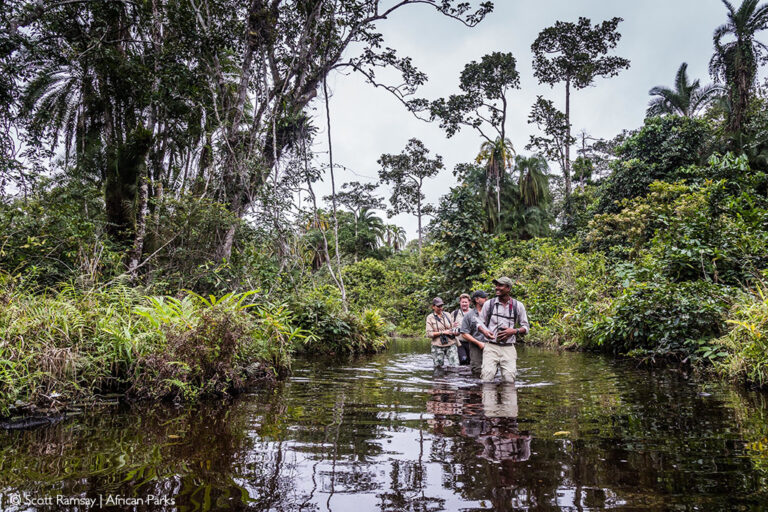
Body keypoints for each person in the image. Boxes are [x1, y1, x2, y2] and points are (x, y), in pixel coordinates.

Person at [476, 276, 529, 383]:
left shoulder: (518, 306)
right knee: (487, 378)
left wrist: (513, 331)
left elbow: (526, 328)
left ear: (508, 288)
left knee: (509, 380)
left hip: (509, 348)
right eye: (496, 285)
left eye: (500, 285)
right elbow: (479, 323)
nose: (497, 288)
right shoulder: (488, 304)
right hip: (491, 347)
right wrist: (485, 331)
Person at [459, 290, 489, 376]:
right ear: (477, 300)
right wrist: (478, 343)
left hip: (491, 346)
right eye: (484, 298)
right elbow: (464, 333)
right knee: (477, 370)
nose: (486, 299)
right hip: (475, 347)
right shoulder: (469, 316)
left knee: (492, 370)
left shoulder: (490, 313)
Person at [425, 297, 459, 368]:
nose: (440, 308)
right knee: (438, 367)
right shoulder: (430, 317)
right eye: (438, 306)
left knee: (455, 366)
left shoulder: (447, 315)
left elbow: (451, 328)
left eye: (441, 306)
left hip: (451, 343)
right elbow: (429, 334)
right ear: (433, 307)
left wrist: (454, 330)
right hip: (437, 345)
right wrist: (443, 333)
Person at [451, 293, 472, 366]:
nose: (464, 304)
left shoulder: (473, 313)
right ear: (460, 302)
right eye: (462, 302)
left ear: (469, 302)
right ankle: (461, 377)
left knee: (471, 362)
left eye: (466, 302)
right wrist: (452, 326)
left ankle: (471, 377)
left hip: (471, 342)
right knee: (463, 360)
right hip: (459, 342)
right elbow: (449, 327)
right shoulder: (455, 313)